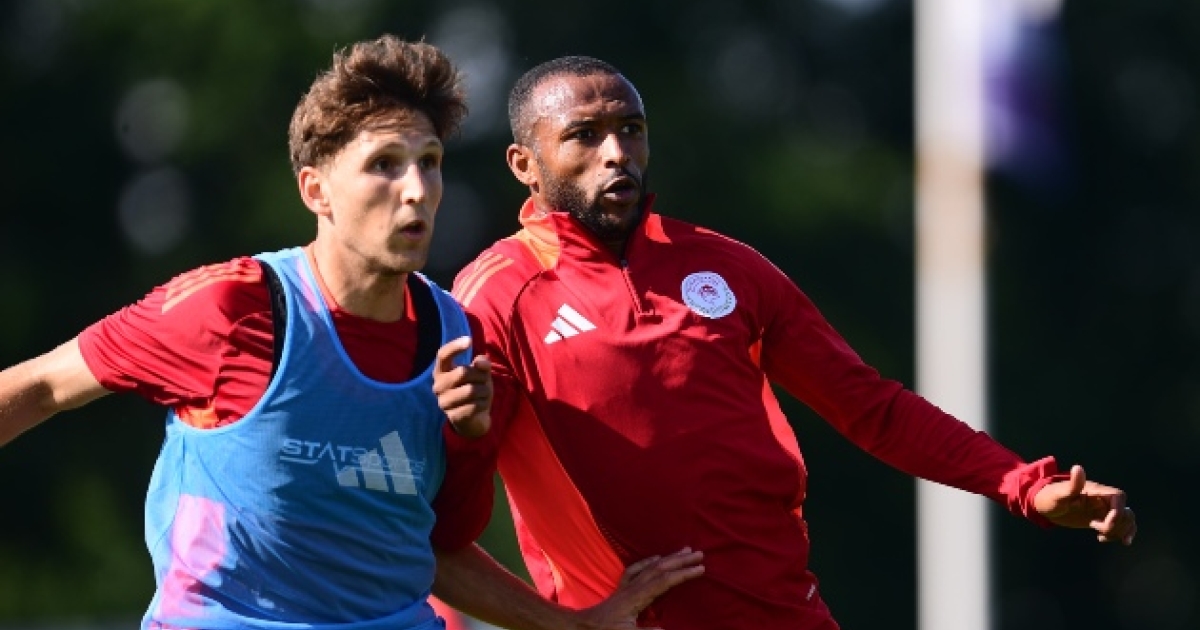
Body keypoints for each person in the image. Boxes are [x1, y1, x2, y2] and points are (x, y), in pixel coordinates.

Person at [0, 38, 700, 630]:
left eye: (429, 162)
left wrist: (470, 439)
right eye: (384, 165)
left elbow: (439, 548)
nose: (416, 189)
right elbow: (40, 386)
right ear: (316, 190)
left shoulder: (454, 333)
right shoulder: (231, 309)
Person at [434, 56, 1139, 630]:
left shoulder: (727, 267)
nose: (617, 152)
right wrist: (564, 625)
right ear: (525, 163)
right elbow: (443, 523)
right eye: (584, 135)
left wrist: (1025, 485)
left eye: (632, 129)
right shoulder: (497, 295)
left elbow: (872, 408)